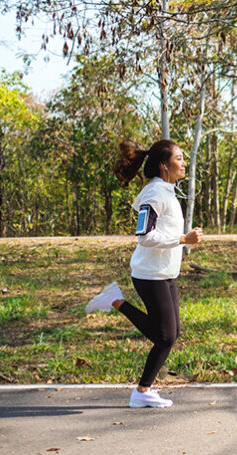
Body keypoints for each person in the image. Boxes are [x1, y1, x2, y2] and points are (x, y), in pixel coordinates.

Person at [87, 139, 203, 408]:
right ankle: (116, 302)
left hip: (163, 273)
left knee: (171, 334)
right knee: (165, 337)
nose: (184, 163)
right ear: (164, 165)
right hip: (150, 274)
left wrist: (182, 240)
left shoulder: (164, 191)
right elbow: (145, 235)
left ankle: (143, 391)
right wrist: (183, 239)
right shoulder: (155, 194)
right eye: (179, 158)